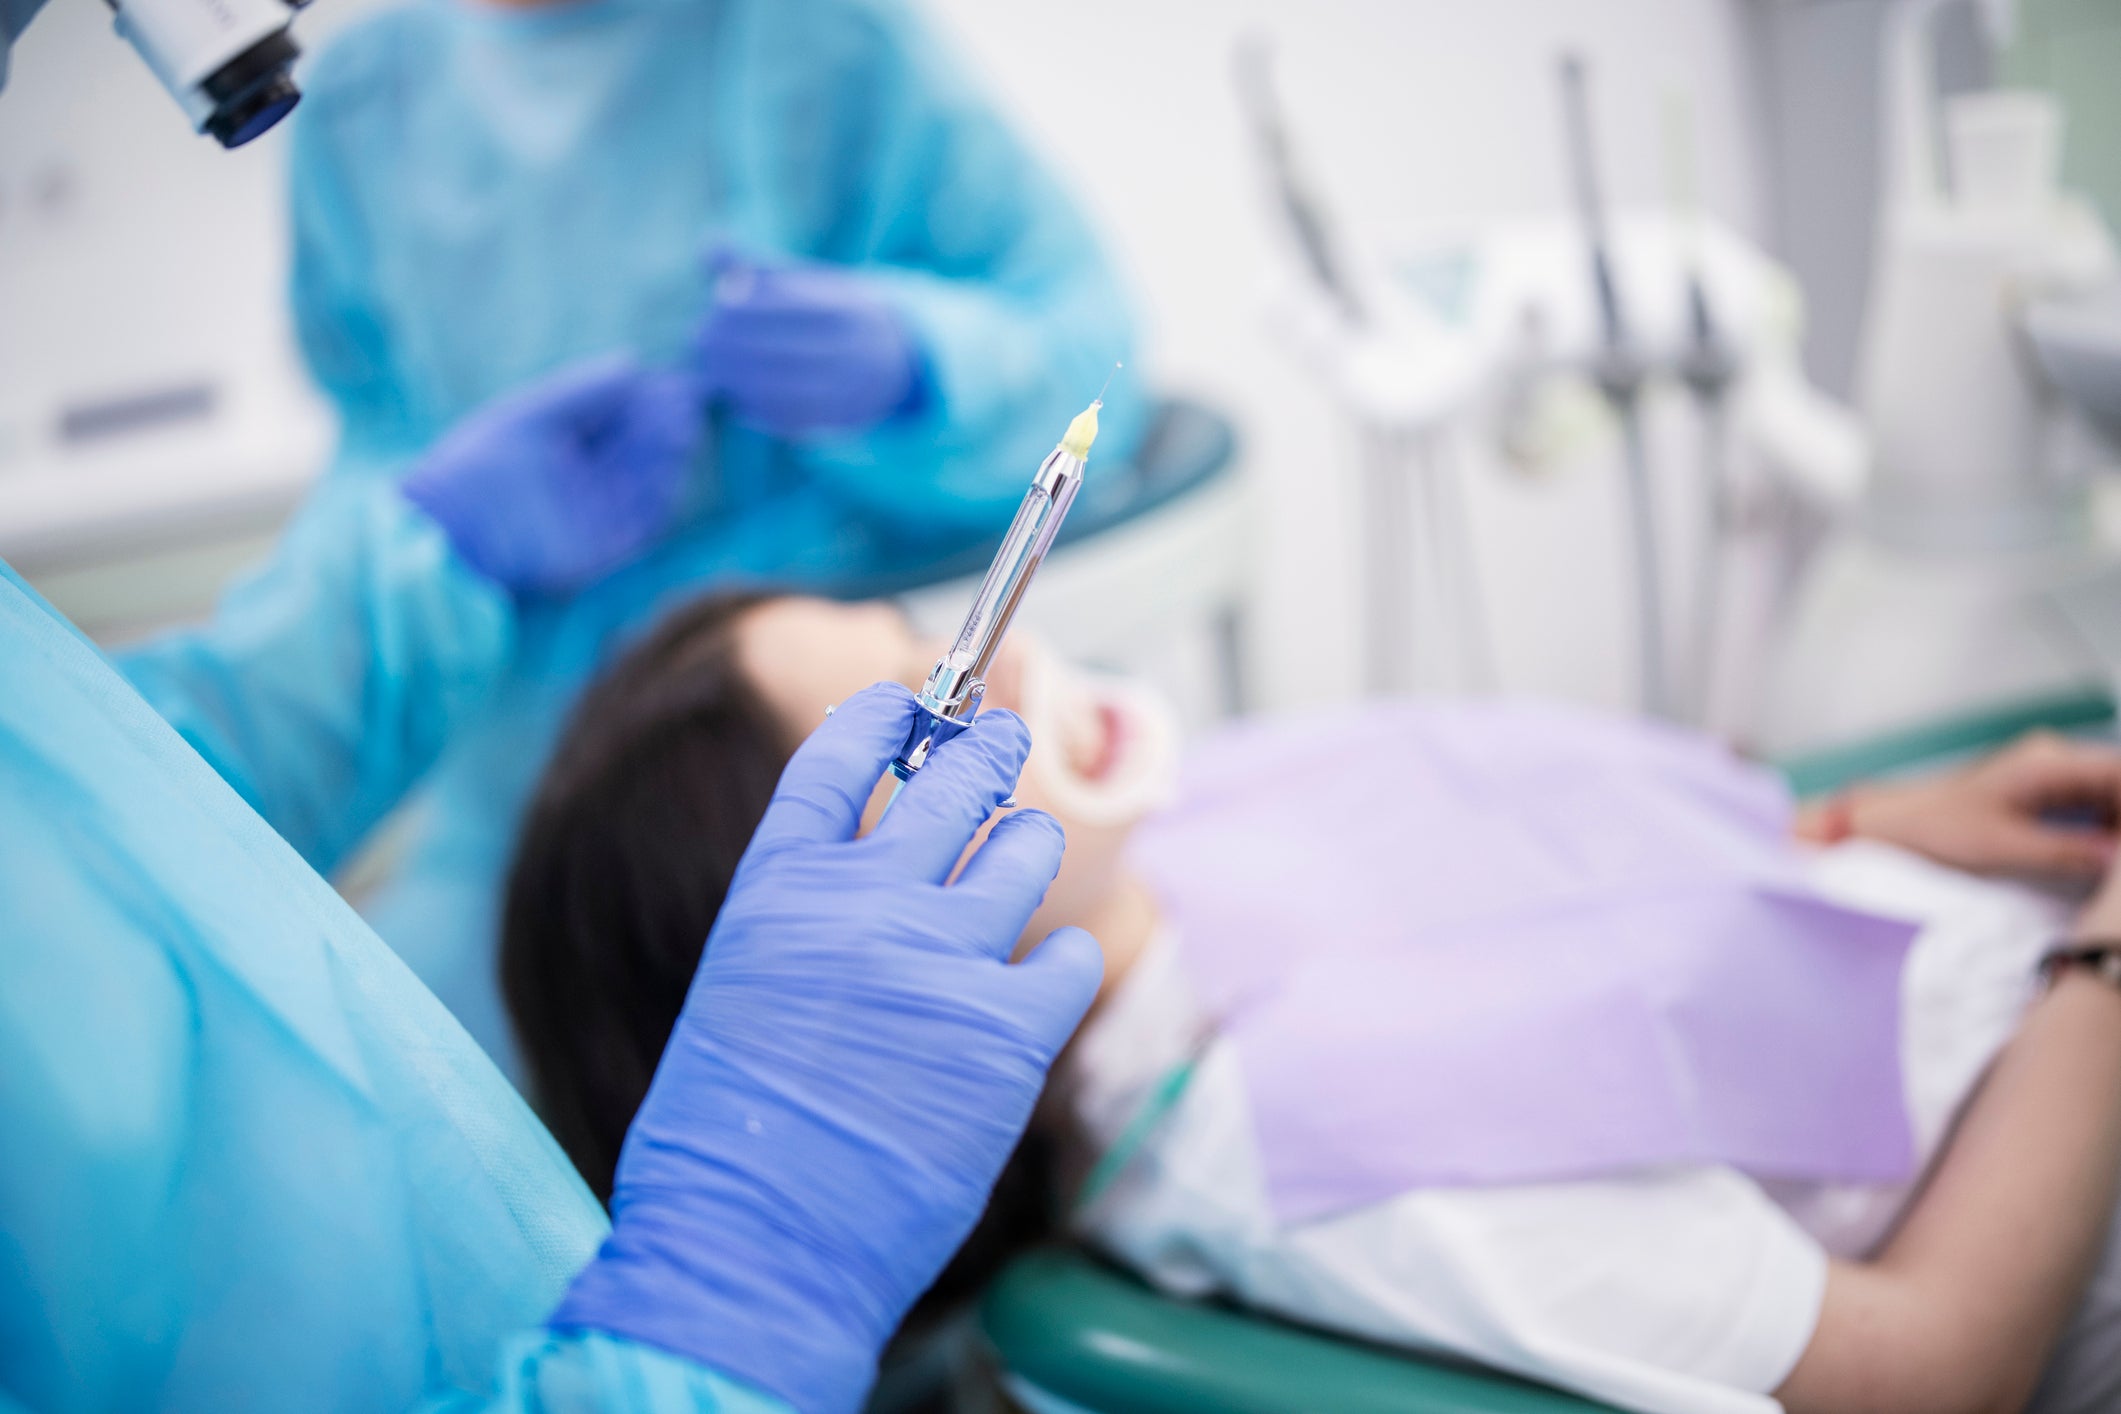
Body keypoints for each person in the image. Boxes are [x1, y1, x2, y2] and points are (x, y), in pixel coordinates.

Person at [501, 589, 2121, 1414]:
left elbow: (1586, 883)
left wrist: (1844, 824)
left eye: (949, 627)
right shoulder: (1312, 1143)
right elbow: (1936, 1368)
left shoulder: (1190, 830)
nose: (1007, 667)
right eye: (927, 722)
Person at [283, 0, 1145, 1074]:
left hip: (779, 803)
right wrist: (435, 526)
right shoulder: (360, 107)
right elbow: (369, 440)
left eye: (909, 662)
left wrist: (917, 365)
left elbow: (1084, 340)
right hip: (498, 802)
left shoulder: (813, 43)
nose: (1011, 663)